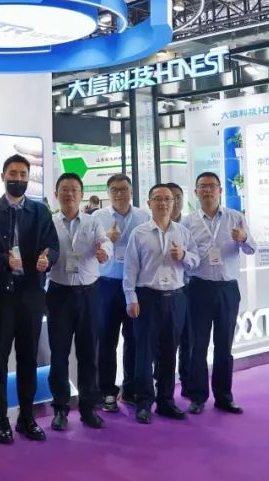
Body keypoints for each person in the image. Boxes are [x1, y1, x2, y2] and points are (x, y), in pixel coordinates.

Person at [0, 154, 59, 444]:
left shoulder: (40, 211)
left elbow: (52, 245)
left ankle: (26, 416)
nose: (18, 179)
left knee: (28, 357)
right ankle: (0, 418)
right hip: (1, 296)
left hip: (31, 295)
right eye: (13, 173)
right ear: (3, 176)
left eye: (23, 174)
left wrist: (48, 259)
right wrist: (3, 261)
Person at [181, 172, 254, 416]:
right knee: (197, 346)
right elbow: (186, 258)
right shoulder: (188, 223)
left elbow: (252, 248)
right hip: (198, 288)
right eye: (203, 186)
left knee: (224, 345)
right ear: (196, 192)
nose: (208, 191)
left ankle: (224, 397)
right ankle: (197, 397)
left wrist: (244, 238)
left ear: (220, 190)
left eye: (212, 186)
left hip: (227, 289)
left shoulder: (236, 217)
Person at [125, 184, 199, 423]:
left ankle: (166, 400)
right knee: (144, 353)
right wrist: (131, 297)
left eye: (168, 199)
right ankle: (144, 402)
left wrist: (184, 256)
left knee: (169, 351)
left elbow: (196, 261)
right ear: (149, 203)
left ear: (174, 203)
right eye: (158, 199)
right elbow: (130, 269)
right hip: (147, 297)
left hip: (176, 297)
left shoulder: (183, 233)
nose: (164, 203)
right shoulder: (139, 233)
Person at [46, 173, 110, 432]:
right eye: (64, 189)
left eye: (74, 189)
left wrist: (105, 251)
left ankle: (88, 407)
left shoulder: (93, 222)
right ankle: (60, 408)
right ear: (56, 194)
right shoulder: (49, 223)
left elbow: (105, 242)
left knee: (88, 353)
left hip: (89, 294)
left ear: (82, 195)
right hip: (59, 294)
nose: (69, 194)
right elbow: (42, 251)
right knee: (59, 354)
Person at [92, 174, 150, 411]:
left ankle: (131, 388)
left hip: (135, 285)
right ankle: (107, 391)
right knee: (106, 339)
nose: (119, 193)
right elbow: (86, 248)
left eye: (124, 189)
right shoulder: (97, 217)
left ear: (131, 192)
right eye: (114, 190)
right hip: (106, 284)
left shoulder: (143, 216)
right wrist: (107, 238)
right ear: (108, 193)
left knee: (134, 339)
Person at [167, 181, 191, 393]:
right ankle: (162, 385)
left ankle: (187, 383)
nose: (174, 202)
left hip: (190, 289)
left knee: (188, 338)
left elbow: (197, 257)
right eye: (170, 197)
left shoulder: (192, 224)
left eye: (178, 197)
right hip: (163, 292)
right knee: (164, 341)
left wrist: (184, 255)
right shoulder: (151, 226)